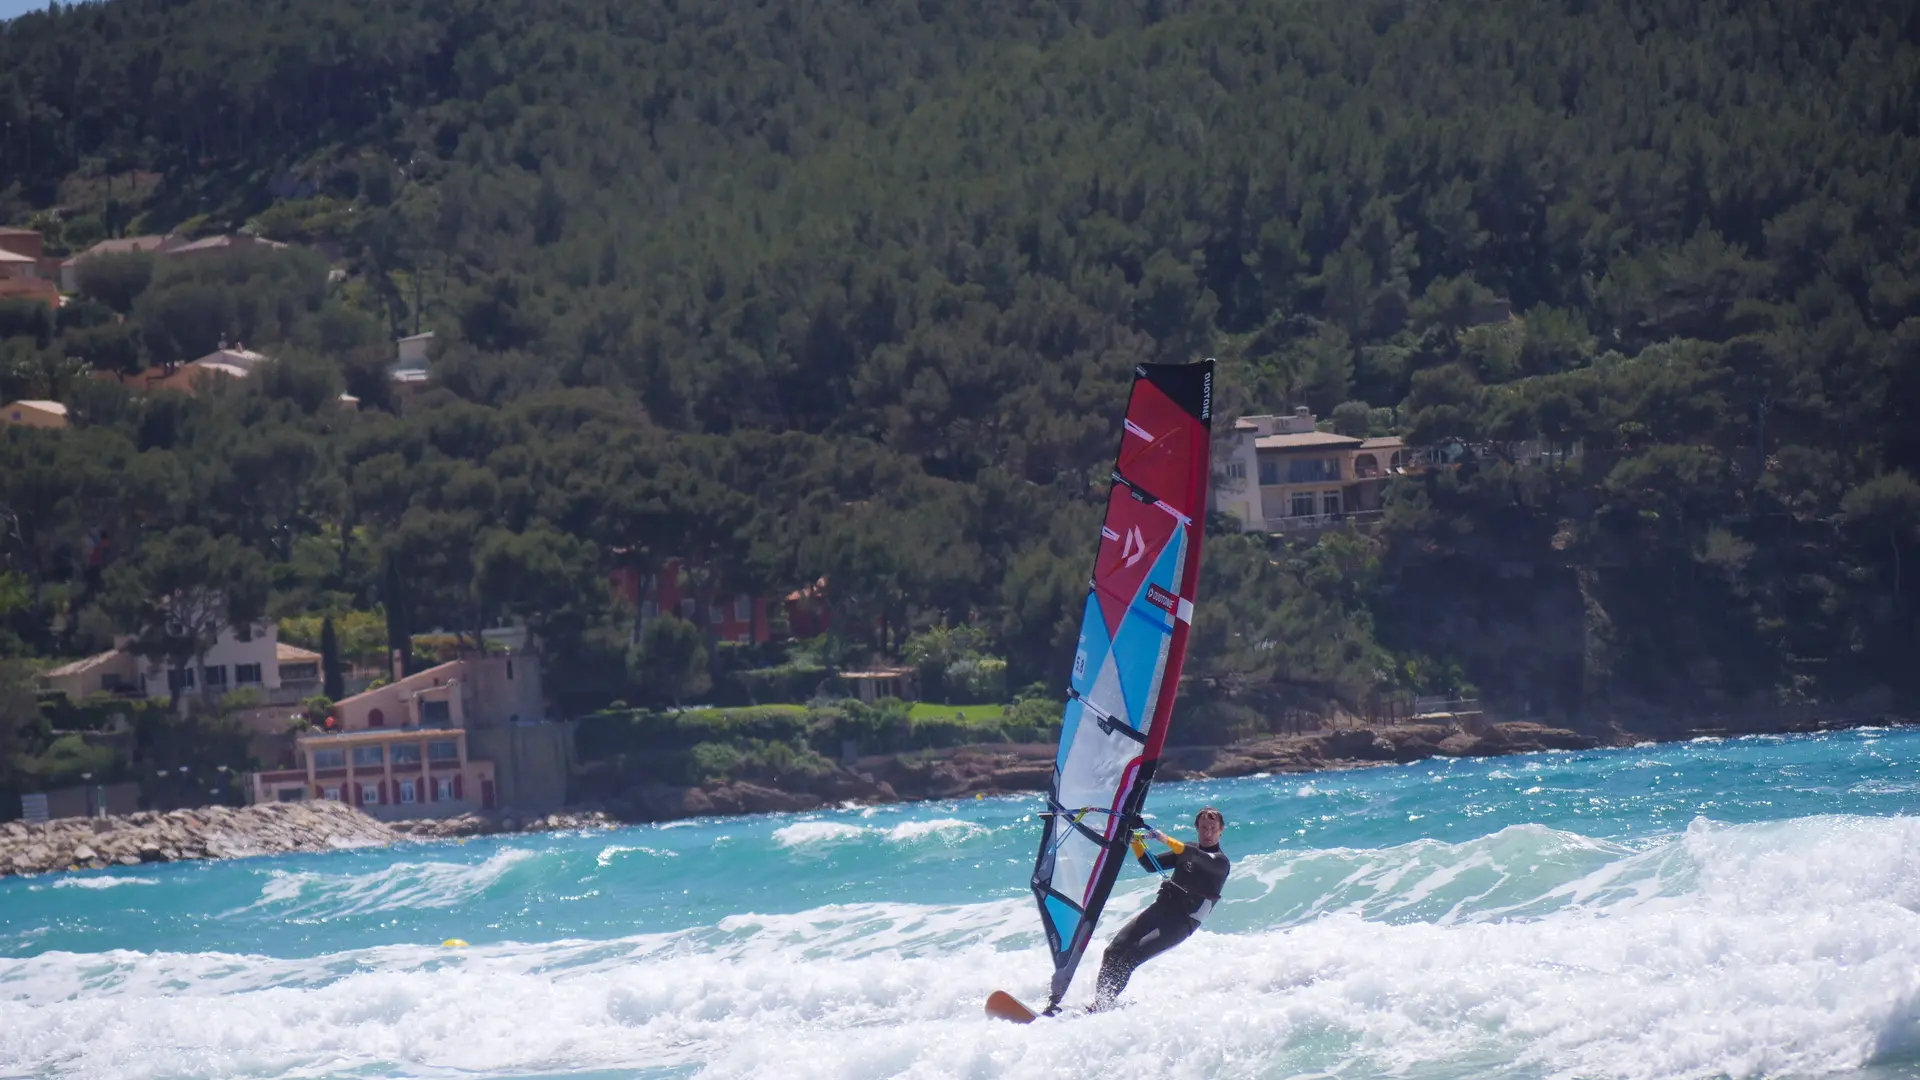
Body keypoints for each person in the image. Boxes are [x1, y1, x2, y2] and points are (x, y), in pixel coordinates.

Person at [1089, 805, 1230, 1012]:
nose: (1208, 832)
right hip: (1160, 909)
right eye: (1203, 827)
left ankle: (1102, 1007)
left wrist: (1163, 838)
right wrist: (1136, 841)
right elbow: (1149, 864)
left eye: (1213, 828)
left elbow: (1194, 855)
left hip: (1181, 922)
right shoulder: (1187, 851)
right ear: (1197, 828)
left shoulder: (1220, 862)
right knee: (1113, 951)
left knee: (1130, 957)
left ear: (1221, 830)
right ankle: (1100, 1003)